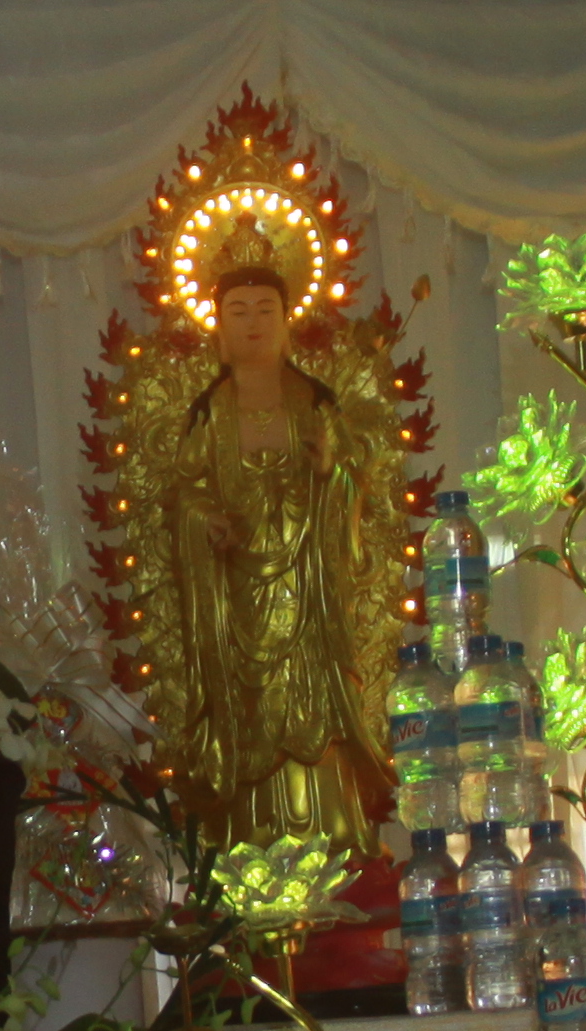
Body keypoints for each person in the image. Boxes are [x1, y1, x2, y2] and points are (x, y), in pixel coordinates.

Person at [132, 226, 404, 847]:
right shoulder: (211, 410)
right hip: (238, 601)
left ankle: (334, 837)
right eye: (238, 312)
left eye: (264, 311)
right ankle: (248, 841)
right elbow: (184, 492)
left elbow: (351, 482)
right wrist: (206, 519)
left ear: (286, 322)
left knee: (316, 711)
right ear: (219, 328)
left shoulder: (314, 401)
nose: (252, 324)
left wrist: (330, 472)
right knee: (249, 715)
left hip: (309, 595)